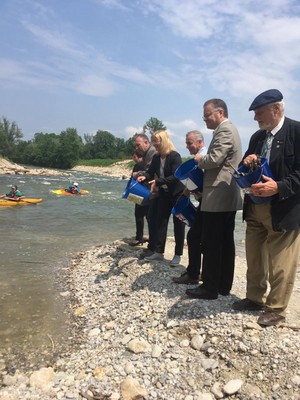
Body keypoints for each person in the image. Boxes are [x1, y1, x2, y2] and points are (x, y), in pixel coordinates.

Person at [232, 89, 300, 326]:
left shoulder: (297, 131)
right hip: (255, 208)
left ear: (276, 109)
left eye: (259, 113)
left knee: (281, 262)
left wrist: (279, 186)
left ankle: (276, 309)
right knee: (255, 257)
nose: (255, 118)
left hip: (283, 209)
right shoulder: (257, 137)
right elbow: (245, 167)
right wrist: (247, 162)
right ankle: (254, 298)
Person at [186, 98, 242, 300]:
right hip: (224, 195)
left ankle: (209, 287)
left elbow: (214, 159)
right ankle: (222, 285)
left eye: (207, 115)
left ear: (220, 113)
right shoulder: (227, 130)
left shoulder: (225, 130)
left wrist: (200, 159)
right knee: (225, 242)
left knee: (212, 243)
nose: (205, 119)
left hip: (218, 195)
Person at [137, 130, 186, 266]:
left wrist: (158, 182)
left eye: (156, 141)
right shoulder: (157, 158)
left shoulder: (175, 156)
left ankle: (177, 255)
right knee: (160, 222)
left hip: (177, 194)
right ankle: (159, 252)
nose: (154, 144)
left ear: (163, 141)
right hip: (164, 194)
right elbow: (150, 173)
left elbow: (177, 176)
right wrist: (144, 177)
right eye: (153, 141)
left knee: (178, 225)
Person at [172, 130, 207, 284]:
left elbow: (203, 180)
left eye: (189, 143)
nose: (187, 146)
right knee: (199, 237)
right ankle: (198, 272)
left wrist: (191, 190)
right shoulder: (198, 157)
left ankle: (193, 274)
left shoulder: (203, 157)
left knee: (194, 237)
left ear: (199, 142)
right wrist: (186, 193)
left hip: (208, 202)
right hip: (204, 202)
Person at [134, 133, 158, 259]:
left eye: (138, 145)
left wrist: (137, 174)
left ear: (146, 143)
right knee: (151, 217)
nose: (136, 148)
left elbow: (150, 172)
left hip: (156, 189)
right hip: (153, 189)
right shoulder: (149, 153)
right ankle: (153, 247)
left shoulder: (151, 152)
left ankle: (154, 248)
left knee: (152, 218)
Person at [129, 150, 150, 246]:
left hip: (138, 192)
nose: (133, 159)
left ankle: (139, 238)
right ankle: (152, 237)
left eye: (134, 157)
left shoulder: (138, 166)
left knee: (138, 215)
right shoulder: (147, 164)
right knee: (149, 216)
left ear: (137, 156)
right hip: (148, 192)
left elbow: (133, 179)